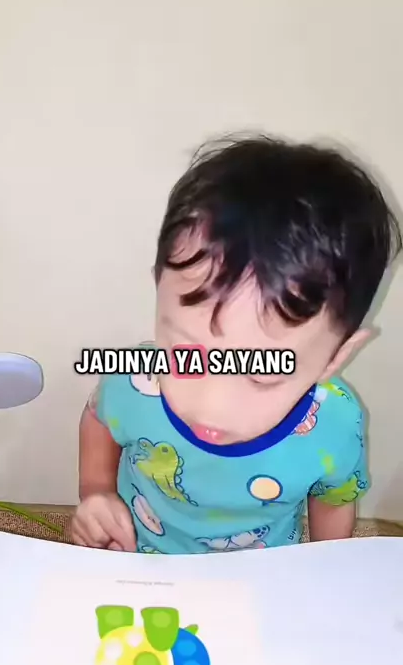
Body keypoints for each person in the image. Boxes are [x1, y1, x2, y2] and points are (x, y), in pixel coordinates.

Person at [70, 136, 401, 554]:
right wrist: (96, 490)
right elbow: (100, 418)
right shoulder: (136, 377)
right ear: (159, 287)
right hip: (139, 556)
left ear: (335, 358)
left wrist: (324, 566)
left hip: (262, 570)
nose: (212, 407)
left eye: (261, 375)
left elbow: (334, 497)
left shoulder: (334, 422)